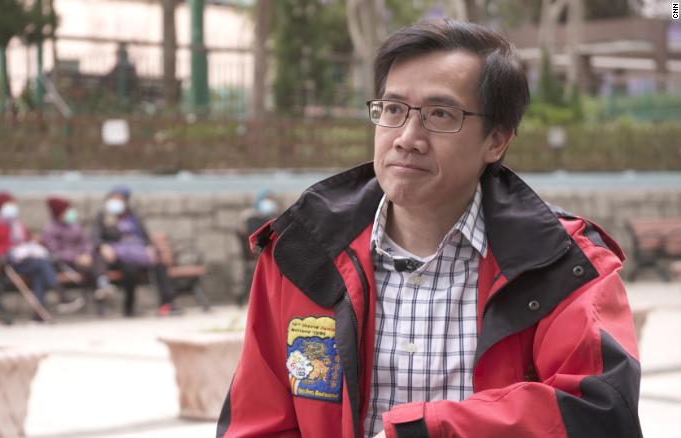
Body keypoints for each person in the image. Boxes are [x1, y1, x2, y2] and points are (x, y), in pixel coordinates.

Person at [218, 20, 642, 438]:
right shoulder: (302, 253)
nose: (407, 137)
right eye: (393, 109)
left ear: (496, 140)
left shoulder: (565, 266)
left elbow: (599, 415)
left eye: (440, 114)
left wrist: (427, 431)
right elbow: (256, 424)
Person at [0, 191, 84, 320]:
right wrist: (7, 250)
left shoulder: (17, 224)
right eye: (9, 204)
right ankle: (61, 295)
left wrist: (34, 244)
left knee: (40, 272)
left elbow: (26, 239)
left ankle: (37, 315)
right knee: (41, 264)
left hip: (26, 261)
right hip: (7, 264)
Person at [92, 186, 178, 317]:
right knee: (130, 270)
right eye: (113, 199)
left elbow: (145, 237)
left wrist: (149, 248)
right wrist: (103, 247)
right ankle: (129, 306)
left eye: (119, 199)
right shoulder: (104, 216)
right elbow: (95, 237)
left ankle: (167, 304)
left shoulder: (133, 216)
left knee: (160, 265)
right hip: (118, 256)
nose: (115, 202)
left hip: (139, 254)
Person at [41, 196, 115, 300]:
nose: (70, 212)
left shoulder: (74, 225)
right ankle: (101, 286)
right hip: (68, 262)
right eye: (67, 210)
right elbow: (55, 251)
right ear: (59, 213)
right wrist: (76, 258)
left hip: (84, 257)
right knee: (90, 266)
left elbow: (86, 241)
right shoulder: (50, 229)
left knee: (97, 257)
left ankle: (103, 284)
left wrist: (87, 253)